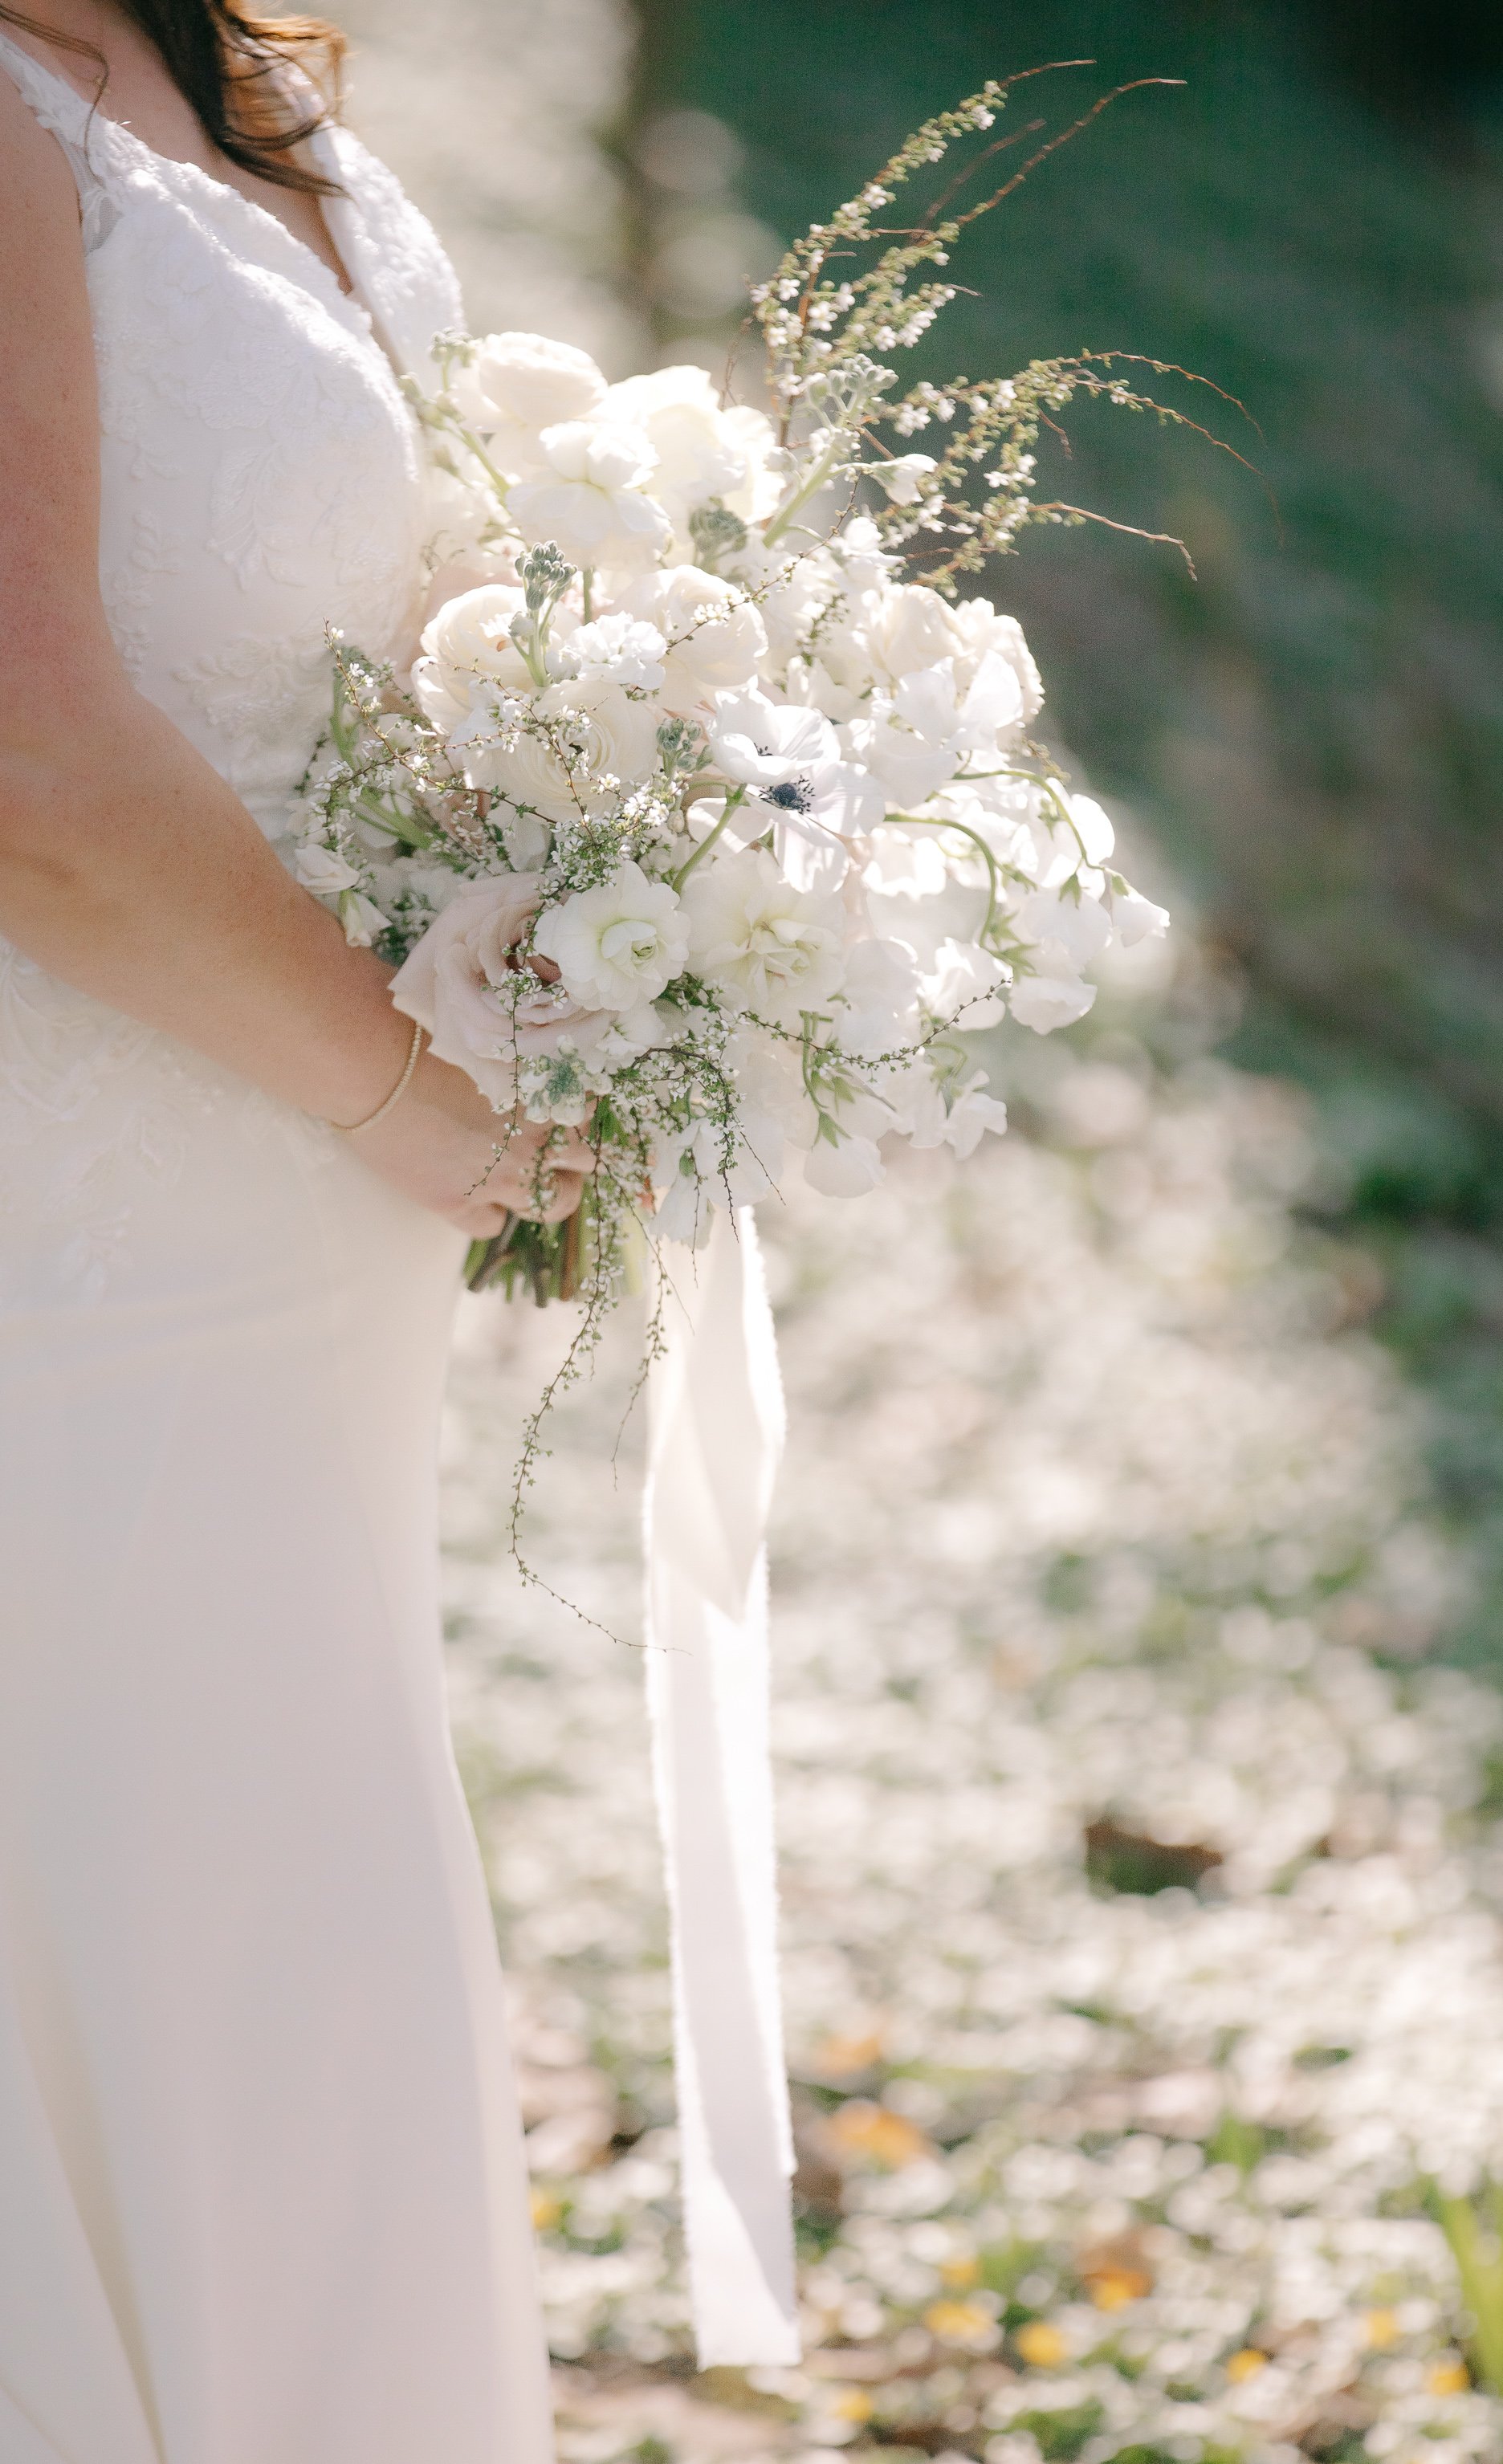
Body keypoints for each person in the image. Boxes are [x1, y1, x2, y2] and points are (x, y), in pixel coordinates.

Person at [0, 3, 573, 2452]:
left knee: (265, 1954)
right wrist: (400, 1089)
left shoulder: (214, 57)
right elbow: (28, 754)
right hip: (82, 1275)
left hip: (301, 1297)